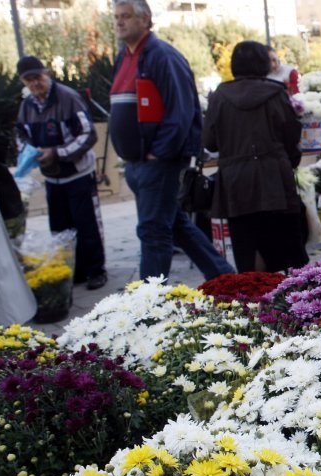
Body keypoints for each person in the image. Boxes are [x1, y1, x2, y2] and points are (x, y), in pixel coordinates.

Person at [109, 0, 233, 281]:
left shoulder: (161, 55)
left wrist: (160, 152)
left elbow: (181, 111)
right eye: (116, 16)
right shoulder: (124, 57)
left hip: (158, 162)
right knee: (174, 224)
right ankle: (224, 276)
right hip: (137, 162)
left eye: (126, 16)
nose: (119, 22)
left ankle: (149, 306)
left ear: (145, 19)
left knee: (153, 230)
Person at [202, 41, 308, 273]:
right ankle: (296, 301)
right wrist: (290, 160)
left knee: (247, 251)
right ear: (262, 64)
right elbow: (292, 134)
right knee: (288, 250)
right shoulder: (275, 92)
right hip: (275, 182)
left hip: (235, 186)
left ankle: (256, 301)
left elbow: (209, 142)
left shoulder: (220, 96)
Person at [15, 55, 108, 290]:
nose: (35, 84)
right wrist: (31, 153)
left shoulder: (68, 98)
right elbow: (20, 135)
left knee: (86, 224)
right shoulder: (27, 106)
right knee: (59, 227)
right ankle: (74, 269)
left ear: (46, 74)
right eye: (29, 80)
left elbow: (88, 134)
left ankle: (96, 270)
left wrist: (57, 152)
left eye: (38, 77)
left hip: (77, 173)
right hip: (51, 176)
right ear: (23, 82)